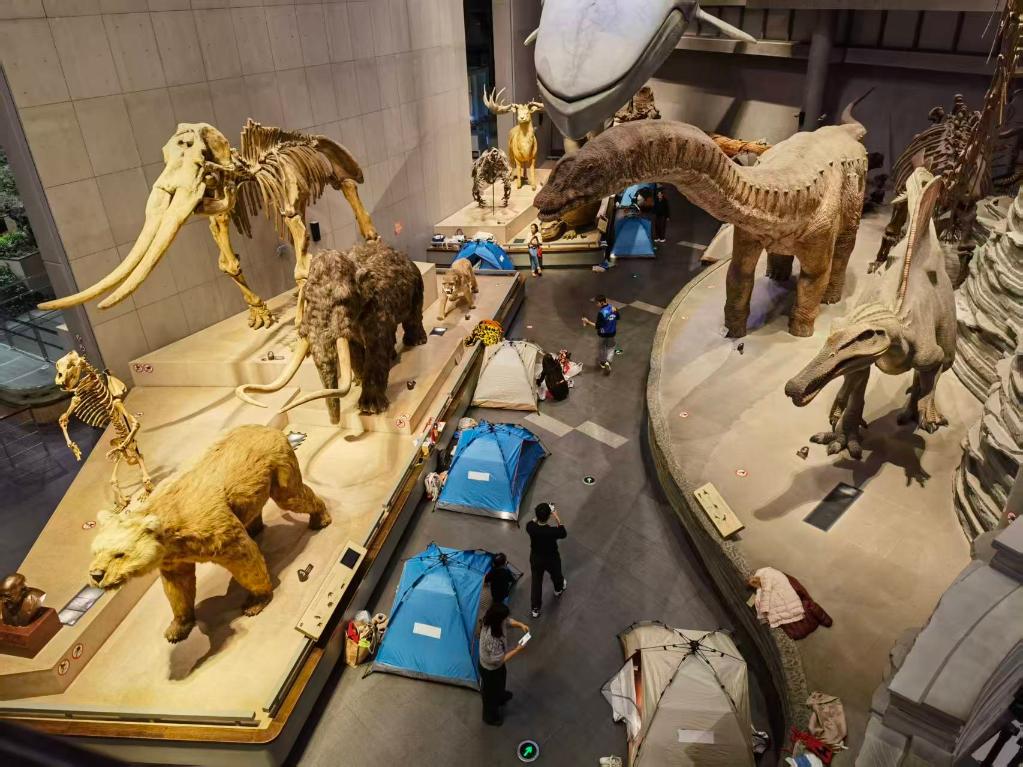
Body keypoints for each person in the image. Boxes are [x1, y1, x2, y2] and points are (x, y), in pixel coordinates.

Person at [478, 602, 529, 725]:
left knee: (501, 680)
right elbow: (499, 660)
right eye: (504, 617)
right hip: (489, 669)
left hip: (497, 667)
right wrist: (517, 649)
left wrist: (520, 624)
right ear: (498, 620)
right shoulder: (492, 639)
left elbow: (507, 621)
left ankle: (500, 696)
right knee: (490, 694)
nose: (506, 619)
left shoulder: (494, 620)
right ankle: (490, 717)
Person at [526, 502, 567, 618]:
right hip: (551, 558)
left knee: (536, 582)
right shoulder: (552, 531)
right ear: (549, 516)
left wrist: (538, 515)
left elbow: (532, 521)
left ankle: (535, 608)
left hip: (536, 558)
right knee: (556, 574)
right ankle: (558, 589)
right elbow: (563, 532)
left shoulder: (530, 527)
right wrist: (556, 516)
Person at [582, 295, 621, 375]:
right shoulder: (614, 308)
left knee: (602, 348)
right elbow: (618, 318)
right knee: (611, 348)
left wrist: (587, 322)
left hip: (603, 334)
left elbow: (597, 326)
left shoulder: (601, 313)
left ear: (602, 302)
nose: (596, 305)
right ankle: (608, 361)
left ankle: (603, 362)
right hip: (612, 333)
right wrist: (615, 312)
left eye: (597, 303)